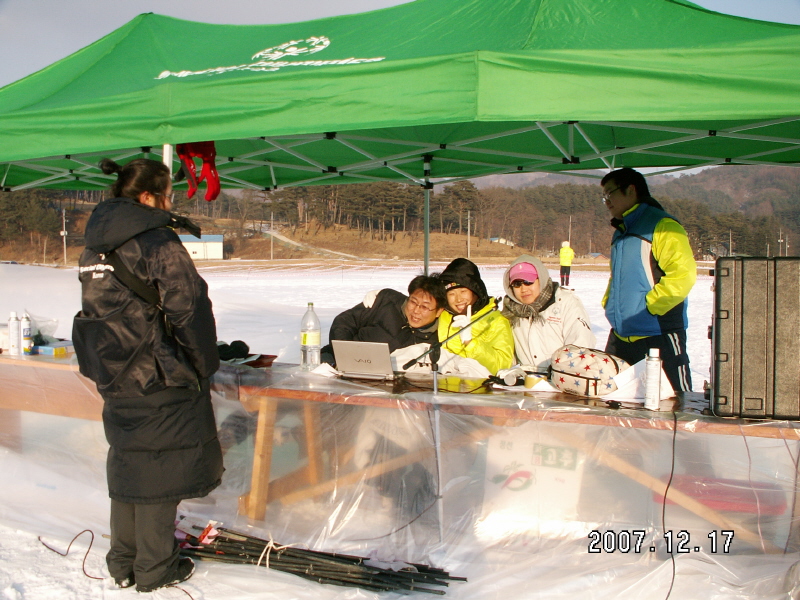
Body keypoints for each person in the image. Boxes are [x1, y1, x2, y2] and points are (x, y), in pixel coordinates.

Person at [73, 158, 223, 592]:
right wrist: (202, 364)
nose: (171, 202)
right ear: (147, 197)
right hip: (159, 372)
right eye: (168, 194)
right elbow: (189, 306)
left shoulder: (93, 247)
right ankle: (156, 569)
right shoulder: (157, 241)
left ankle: (123, 561)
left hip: (114, 373)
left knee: (129, 466)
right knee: (159, 472)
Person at [600, 167, 697, 392]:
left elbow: (682, 276)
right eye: (603, 196)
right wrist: (610, 305)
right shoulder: (621, 232)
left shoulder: (663, 226)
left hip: (658, 335)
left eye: (610, 193)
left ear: (631, 190)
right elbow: (619, 278)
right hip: (621, 335)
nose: (606, 201)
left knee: (674, 404)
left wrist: (649, 307)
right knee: (616, 404)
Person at [320, 275, 446, 365]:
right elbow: (344, 322)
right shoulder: (386, 302)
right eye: (413, 302)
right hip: (337, 362)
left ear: (438, 311)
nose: (416, 311)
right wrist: (345, 355)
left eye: (424, 307)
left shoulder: (438, 337)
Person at [501, 255, 595, 373]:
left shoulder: (566, 303)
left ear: (541, 278)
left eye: (528, 282)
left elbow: (580, 346)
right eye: (517, 284)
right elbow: (506, 356)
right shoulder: (510, 312)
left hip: (564, 378)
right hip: (528, 381)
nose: (523, 289)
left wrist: (557, 374)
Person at [437, 258, 514, 376]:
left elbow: (502, 366)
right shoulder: (443, 314)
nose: (458, 299)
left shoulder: (495, 321)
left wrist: (470, 342)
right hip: (441, 382)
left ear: (475, 292)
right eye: (452, 294)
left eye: (463, 291)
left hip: (476, 387)